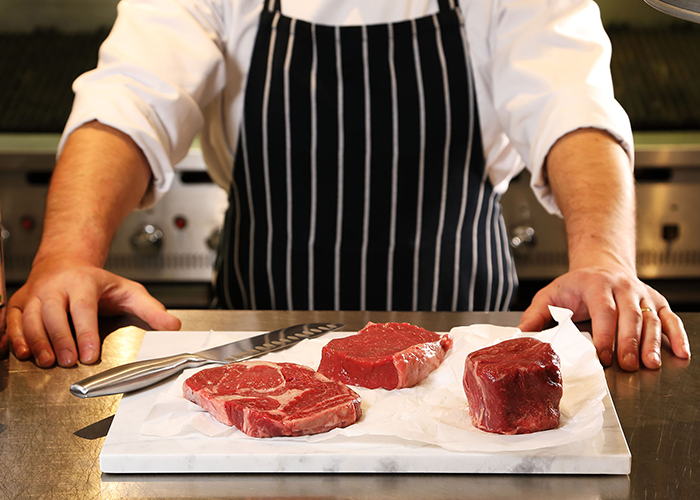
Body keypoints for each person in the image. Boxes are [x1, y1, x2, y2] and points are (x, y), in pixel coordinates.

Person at [4, 0, 691, 370]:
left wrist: (603, 259)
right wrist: (66, 253)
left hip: (461, 356)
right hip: (264, 362)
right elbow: (131, 99)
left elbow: (571, 102)